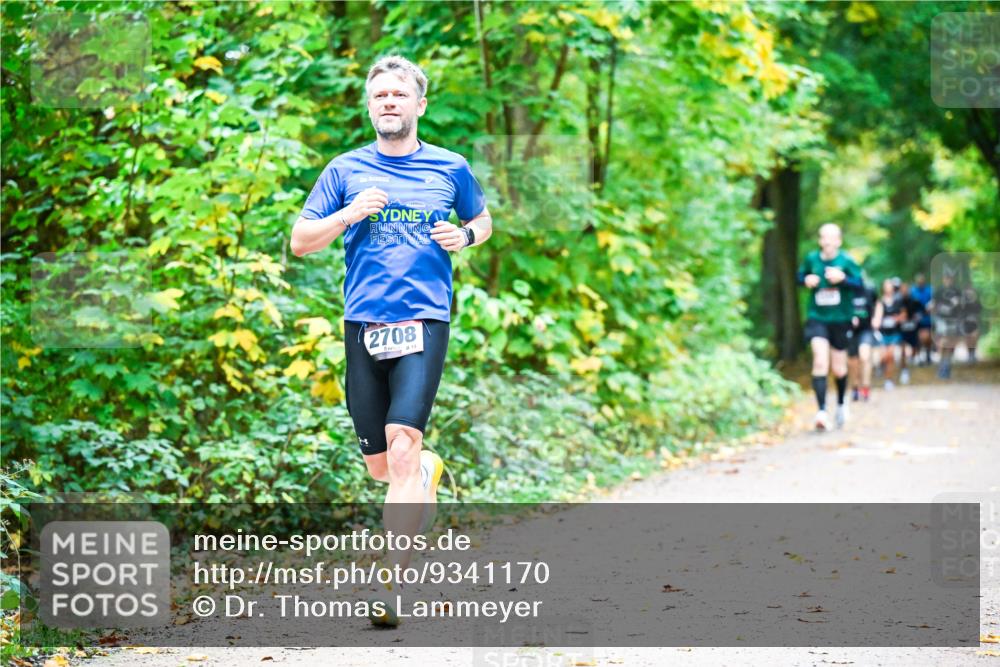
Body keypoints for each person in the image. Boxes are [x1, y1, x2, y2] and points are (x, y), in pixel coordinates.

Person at [290, 55, 493, 626]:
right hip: (363, 326)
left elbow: (482, 221)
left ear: (419, 104)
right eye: (379, 95)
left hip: (425, 322)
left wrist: (465, 236)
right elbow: (301, 241)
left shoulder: (450, 168)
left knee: (403, 445)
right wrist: (348, 214)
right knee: (383, 469)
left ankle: (391, 587)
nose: (389, 102)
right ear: (369, 105)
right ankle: (424, 473)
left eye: (399, 94)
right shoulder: (344, 170)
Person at [797, 223, 863, 430]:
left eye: (831, 238)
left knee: (839, 368)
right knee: (819, 361)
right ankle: (821, 411)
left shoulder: (847, 261)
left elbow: (860, 285)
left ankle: (842, 405)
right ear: (820, 241)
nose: (827, 242)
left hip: (840, 319)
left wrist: (843, 279)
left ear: (838, 241)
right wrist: (806, 279)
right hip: (818, 317)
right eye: (823, 237)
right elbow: (799, 277)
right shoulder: (811, 259)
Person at [872, 277, 907, 390]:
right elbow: (877, 317)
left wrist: (897, 318)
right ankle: (880, 367)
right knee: (884, 356)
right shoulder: (880, 301)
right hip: (882, 333)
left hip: (895, 332)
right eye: (885, 285)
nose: (888, 288)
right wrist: (877, 321)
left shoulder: (898, 300)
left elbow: (904, 315)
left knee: (890, 356)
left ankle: (888, 380)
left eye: (889, 285)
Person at [847, 279, 878, 402]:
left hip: (866, 329)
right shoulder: (846, 290)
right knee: (853, 362)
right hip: (850, 330)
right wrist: (849, 318)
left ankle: (866, 387)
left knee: (864, 356)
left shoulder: (869, 289)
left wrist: (877, 318)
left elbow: (878, 303)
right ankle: (855, 387)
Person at [930, 272, 963, 379]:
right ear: (943, 279)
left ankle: (946, 365)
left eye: (950, 279)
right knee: (943, 342)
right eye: (946, 279)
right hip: (941, 320)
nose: (948, 281)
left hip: (952, 320)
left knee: (950, 344)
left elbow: (959, 306)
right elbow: (934, 304)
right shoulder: (939, 291)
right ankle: (942, 365)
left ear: (952, 280)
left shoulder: (956, 291)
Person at [898, 282, 924, 385]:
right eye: (902, 289)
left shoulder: (914, 300)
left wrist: (917, 317)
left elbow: (923, 310)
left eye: (906, 288)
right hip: (902, 330)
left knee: (914, 348)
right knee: (903, 350)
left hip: (913, 329)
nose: (904, 291)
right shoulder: (898, 301)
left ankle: (914, 359)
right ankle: (904, 370)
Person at [911, 273, 934, 365]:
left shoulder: (930, 290)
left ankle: (928, 354)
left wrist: (931, 306)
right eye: (918, 281)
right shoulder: (913, 291)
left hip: (928, 317)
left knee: (928, 337)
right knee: (918, 338)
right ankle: (919, 356)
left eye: (922, 281)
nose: (920, 282)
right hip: (916, 319)